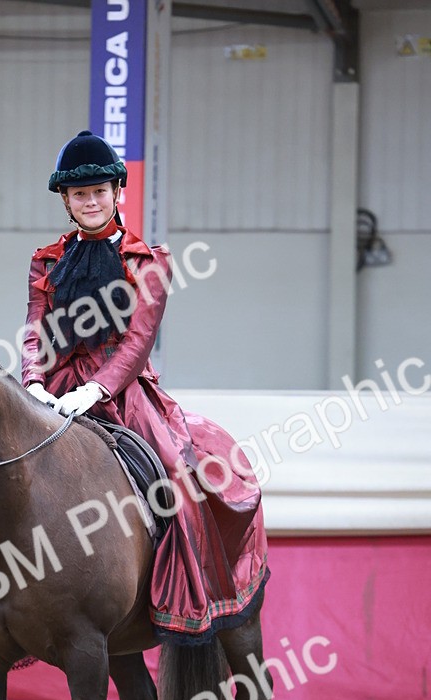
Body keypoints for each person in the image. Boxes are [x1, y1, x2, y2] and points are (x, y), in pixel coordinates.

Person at [19, 129, 269, 644]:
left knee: (178, 480)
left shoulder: (149, 261)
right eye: (79, 194)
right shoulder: (45, 260)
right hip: (54, 388)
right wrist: (34, 382)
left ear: (116, 193)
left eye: (98, 192)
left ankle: (191, 599)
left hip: (123, 394)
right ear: (66, 201)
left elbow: (138, 342)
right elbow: (34, 329)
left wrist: (95, 392)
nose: (90, 202)